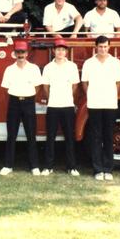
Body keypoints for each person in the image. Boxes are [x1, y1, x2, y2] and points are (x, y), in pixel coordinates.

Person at [81, 35, 120, 181]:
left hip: (110, 104)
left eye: (105, 46)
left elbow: (118, 83)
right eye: (100, 46)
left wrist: (111, 95)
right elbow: (85, 83)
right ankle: (98, 169)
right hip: (94, 104)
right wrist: (92, 95)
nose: (103, 49)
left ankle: (108, 169)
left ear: (109, 47)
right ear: (96, 47)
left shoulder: (116, 62)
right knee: (95, 137)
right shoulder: (89, 63)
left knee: (108, 136)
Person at [0, 41, 43, 176]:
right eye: (18, 52)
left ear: (27, 53)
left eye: (22, 52)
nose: (20, 55)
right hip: (14, 102)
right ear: (14, 54)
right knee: (11, 135)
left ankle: (34, 166)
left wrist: (28, 95)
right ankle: (8, 165)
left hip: (29, 102)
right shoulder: (9, 69)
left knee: (31, 135)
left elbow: (38, 86)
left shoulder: (34, 68)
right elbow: (6, 88)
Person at [41, 38, 80, 176]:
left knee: (69, 137)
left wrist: (67, 97)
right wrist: (52, 97)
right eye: (58, 49)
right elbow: (45, 86)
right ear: (53, 51)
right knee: (50, 137)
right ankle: (48, 166)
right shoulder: (48, 67)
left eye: (63, 49)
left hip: (68, 105)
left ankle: (72, 167)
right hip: (53, 106)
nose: (60, 52)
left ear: (66, 52)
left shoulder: (72, 66)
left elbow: (75, 86)